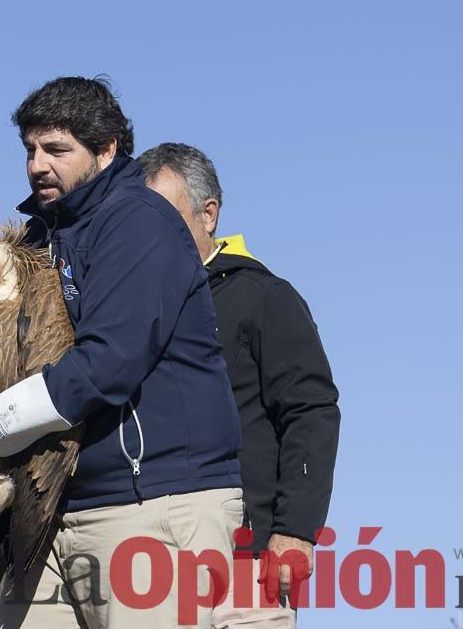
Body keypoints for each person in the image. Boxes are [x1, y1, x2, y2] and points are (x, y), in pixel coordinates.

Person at [0, 76, 245, 628]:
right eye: (30, 149)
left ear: (106, 150)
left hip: (154, 502)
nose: (37, 165)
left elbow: (110, 363)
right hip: (52, 509)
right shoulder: (34, 238)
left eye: (56, 149)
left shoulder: (140, 220)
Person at [139, 143, 340, 627]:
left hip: (247, 553)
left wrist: (295, 531)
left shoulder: (264, 297)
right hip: (146, 556)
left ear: (209, 214)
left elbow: (310, 411)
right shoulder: (128, 309)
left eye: (165, 216)